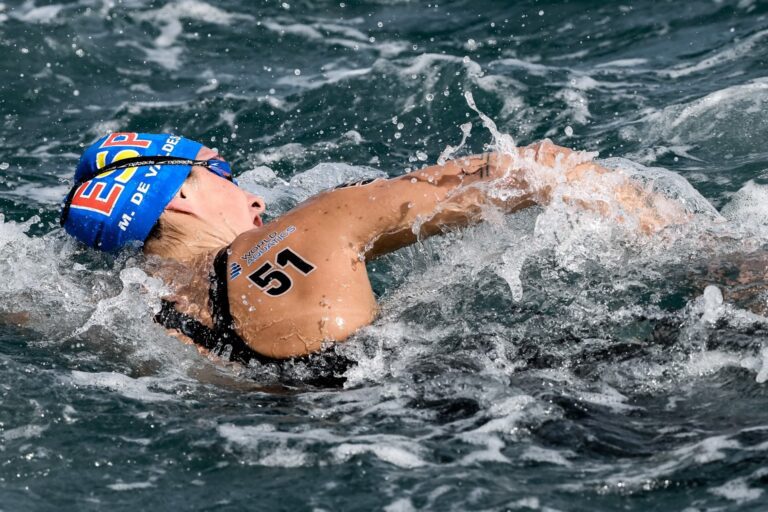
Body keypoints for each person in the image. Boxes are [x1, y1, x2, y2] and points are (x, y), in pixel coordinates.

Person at [61, 132, 681, 362]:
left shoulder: (125, 319)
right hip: (526, 406)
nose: (253, 198)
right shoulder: (309, 225)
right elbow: (542, 168)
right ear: (177, 196)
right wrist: (695, 252)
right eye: (222, 174)